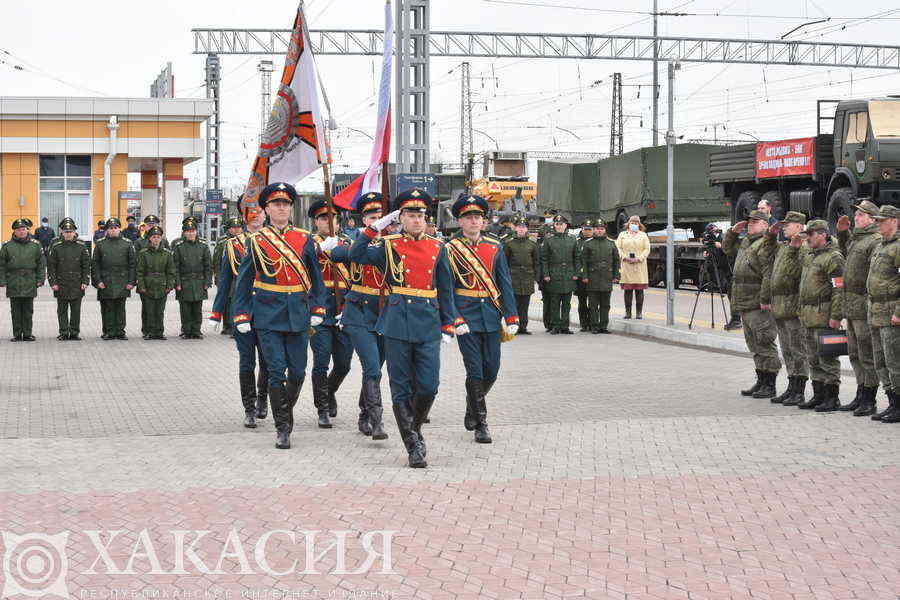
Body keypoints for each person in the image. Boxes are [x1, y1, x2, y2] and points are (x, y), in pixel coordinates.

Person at [348, 188, 465, 468]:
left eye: (420, 214)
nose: (416, 219)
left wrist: (450, 320)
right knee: (400, 388)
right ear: (400, 217)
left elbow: (445, 288)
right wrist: (375, 227)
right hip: (397, 322)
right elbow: (356, 253)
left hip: (427, 322)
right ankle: (412, 444)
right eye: (410, 214)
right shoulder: (388, 245)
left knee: (428, 386)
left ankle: (414, 427)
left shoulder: (438, 247)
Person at [232, 182, 326, 450]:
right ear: (267, 209)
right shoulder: (257, 240)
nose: (281, 207)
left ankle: (283, 408)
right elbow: (244, 280)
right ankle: (282, 427)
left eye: (285, 203)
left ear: (291, 208)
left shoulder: (304, 238)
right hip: (267, 314)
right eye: (276, 204)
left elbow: (316, 279)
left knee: (297, 372)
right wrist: (241, 314)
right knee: (275, 372)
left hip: (298, 313)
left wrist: (318, 308)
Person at [445, 194, 518, 444]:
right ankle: (482, 423)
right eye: (468, 217)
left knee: (492, 371)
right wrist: (454, 318)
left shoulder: (495, 246)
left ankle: (471, 405)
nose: (474, 221)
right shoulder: (450, 249)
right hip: (466, 317)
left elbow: (504, 283)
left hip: (490, 315)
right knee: (474, 370)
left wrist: (511, 314)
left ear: (484, 222)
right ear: (460, 222)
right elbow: (447, 289)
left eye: (478, 217)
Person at [327, 193, 390, 439]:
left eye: (381, 218)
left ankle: (364, 412)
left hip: (385, 313)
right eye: (373, 218)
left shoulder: (393, 242)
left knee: (378, 367)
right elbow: (341, 255)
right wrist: (371, 234)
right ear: (364, 219)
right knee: (372, 366)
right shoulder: (353, 242)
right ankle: (376, 420)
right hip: (358, 312)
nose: (378, 222)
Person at [209, 213, 272, 428]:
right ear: (246, 219)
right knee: (247, 361)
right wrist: (217, 312)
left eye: (260, 214)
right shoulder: (233, 245)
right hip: (243, 310)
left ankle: (263, 398)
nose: (256, 219)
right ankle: (249, 408)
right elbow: (225, 281)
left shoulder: (273, 240)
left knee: (267, 360)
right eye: (252, 215)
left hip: (268, 310)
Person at [722, 210, 781, 398]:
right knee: (754, 345)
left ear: (765, 225)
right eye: (750, 222)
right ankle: (761, 380)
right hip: (745, 304)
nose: (751, 224)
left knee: (764, 342)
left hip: (758, 304)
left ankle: (770, 384)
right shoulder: (747, 242)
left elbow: (768, 274)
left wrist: (765, 299)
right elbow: (726, 249)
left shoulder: (766, 244)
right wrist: (732, 232)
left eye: (755, 222)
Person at [308, 199, 354, 429]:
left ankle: (330, 390)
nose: (329, 221)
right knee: (321, 362)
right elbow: (300, 261)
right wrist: (321, 249)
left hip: (343, 310)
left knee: (344, 364)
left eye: (332, 217)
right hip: (319, 310)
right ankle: (322, 408)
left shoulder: (347, 242)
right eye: (323, 217)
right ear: (316, 221)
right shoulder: (308, 243)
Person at [835, 200, 882, 415]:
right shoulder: (858, 239)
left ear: (872, 219)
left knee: (866, 354)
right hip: (851, 306)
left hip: (863, 306)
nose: (856, 217)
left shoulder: (874, 240)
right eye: (857, 214)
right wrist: (843, 233)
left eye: (861, 215)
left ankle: (869, 397)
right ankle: (860, 392)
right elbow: (845, 251)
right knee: (854, 353)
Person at [795, 219, 844, 411]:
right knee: (813, 357)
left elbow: (839, 289)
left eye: (811, 235)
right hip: (808, 316)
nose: (808, 239)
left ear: (823, 234)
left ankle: (832, 398)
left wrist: (836, 315)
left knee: (828, 358)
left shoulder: (833, 258)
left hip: (825, 315)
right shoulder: (810, 256)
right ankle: (819, 394)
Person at [763, 212, 809, 406]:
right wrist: (771, 235)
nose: (784, 227)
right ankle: (791, 386)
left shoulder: (803, 248)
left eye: (788, 225)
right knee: (787, 350)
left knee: (798, 350)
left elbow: (796, 273)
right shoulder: (784, 247)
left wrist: (794, 249)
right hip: (781, 306)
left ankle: (799, 390)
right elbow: (766, 253)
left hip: (793, 307)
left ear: (799, 227)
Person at [866, 205, 900, 423]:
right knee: (880, 360)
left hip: (891, 313)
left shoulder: (898, 247)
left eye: (882, 220)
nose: (878, 224)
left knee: (894, 360)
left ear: (894, 221)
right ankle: (891, 402)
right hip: (876, 311)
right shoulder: (880, 246)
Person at [0, 218, 45, 341]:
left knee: (28, 310)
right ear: (14, 231)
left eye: (24, 229)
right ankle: (17, 334)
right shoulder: (7, 246)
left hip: (30, 280)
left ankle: (27, 333)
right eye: (18, 229)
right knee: (15, 310)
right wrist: (2, 280)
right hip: (13, 280)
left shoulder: (35, 245)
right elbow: (2, 265)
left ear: (27, 230)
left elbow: (41, 263)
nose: (21, 231)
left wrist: (41, 279)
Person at [91, 217, 135, 340]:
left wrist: (131, 281)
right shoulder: (100, 244)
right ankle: (108, 331)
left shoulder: (127, 243)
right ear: (107, 230)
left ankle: (120, 331)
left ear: (119, 229)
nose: (113, 230)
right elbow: (95, 265)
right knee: (107, 307)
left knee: (120, 307)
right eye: (111, 228)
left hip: (122, 280)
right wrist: (98, 281)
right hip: (106, 281)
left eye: (115, 228)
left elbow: (132, 264)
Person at [46, 218, 90, 341]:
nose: (68, 234)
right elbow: (51, 266)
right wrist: (53, 282)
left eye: (70, 231)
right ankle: (64, 332)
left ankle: (75, 332)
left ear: (75, 232)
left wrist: (85, 281)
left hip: (77, 283)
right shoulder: (56, 246)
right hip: (61, 283)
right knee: (62, 310)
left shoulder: (81, 246)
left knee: (76, 310)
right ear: (62, 233)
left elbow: (86, 265)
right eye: (66, 231)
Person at [173, 217, 211, 340]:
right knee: (185, 308)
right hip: (184, 282)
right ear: (184, 233)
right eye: (188, 231)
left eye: (193, 230)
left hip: (199, 282)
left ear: (196, 231)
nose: (191, 233)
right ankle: (186, 330)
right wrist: (177, 283)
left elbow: (208, 266)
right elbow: (175, 267)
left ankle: (196, 330)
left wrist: (207, 282)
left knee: (197, 308)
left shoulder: (203, 246)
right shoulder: (179, 247)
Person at [579, 219, 620, 334]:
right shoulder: (588, 244)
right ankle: (594, 326)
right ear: (594, 230)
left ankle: (603, 326)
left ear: (605, 230)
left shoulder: (611, 243)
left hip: (606, 277)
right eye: (597, 229)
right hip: (592, 278)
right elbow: (584, 262)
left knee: (605, 304)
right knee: (593, 305)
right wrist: (585, 276)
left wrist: (616, 275)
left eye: (602, 229)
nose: (599, 231)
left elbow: (616, 261)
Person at [135, 225, 175, 341]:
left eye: (158, 237)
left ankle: (159, 332)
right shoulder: (144, 253)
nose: (156, 239)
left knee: (160, 310)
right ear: (150, 239)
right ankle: (149, 331)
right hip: (148, 285)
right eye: (154, 237)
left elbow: (171, 271)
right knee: (149, 310)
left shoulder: (167, 253)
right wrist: (141, 286)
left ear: (161, 238)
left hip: (162, 285)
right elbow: (140, 271)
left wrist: (169, 285)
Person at [540, 214, 578, 334]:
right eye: (557, 224)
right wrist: (546, 274)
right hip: (554, 274)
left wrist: (576, 273)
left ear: (565, 226)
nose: (559, 226)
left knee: (567, 303)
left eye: (561, 224)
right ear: (554, 226)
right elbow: (544, 259)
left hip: (568, 275)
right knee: (555, 302)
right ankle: (555, 325)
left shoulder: (572, 239)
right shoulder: (549, 240)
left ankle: (565, 326)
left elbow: (577, 258)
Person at [503, 216, 539, 335]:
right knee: (514, 303)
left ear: (527, 229)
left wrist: (536, 277)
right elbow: (505, 262)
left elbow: (536, 262)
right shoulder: (509, 244)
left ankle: (523, 326)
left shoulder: (532, 244)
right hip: (514, 277)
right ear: (515, 228)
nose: (521, 229)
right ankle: (514, 325)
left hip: (527, 277)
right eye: (519, 227)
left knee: (525, 304)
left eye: (523, 227)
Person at [212, 216, 246, 335]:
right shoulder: (224, 242)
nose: (236, 230)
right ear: (228, 229)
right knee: (227, 300)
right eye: (233, 228)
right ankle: (228, 325)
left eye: (238, 227)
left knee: (234, 301)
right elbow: (217, 261)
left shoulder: (247, 240)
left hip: (240, 276)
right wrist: (217, 276)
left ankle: (233, 325)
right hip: (228, 276)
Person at [615, 215, 651, 319]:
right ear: (628, 223)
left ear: (639, 224)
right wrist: (624, 257)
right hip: (626, 265)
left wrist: (639, 258)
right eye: (632, 223)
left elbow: (647, 249)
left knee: (639, 290)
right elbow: (618, 247)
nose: (634, 225)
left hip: (639, 265)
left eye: (636, 223)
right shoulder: (622, 235)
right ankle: (628, 312)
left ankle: (639, 312)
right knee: (628, 290)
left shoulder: (643, 235)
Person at [574, 220, 594, 331]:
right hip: (580, 277)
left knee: (593, 302)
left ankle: (592, 322)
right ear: (582, 229)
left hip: (592, 276)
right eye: (585, 229)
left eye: (589, 229)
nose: (587, 231)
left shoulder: (595, 241)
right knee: (582, 302)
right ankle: (583, 324)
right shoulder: (577, 242)